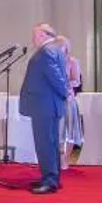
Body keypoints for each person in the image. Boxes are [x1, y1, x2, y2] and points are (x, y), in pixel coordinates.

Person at [19, 24, 71, 194]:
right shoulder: (55, 50)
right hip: (48, 105)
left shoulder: (46, 52)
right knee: (51, 143)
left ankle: (50, 181)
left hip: (44, 106)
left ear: (43, 35)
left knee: (45, 144)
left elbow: (56, 78)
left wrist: (65, 93)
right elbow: (60, 76)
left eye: (35, 35)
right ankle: (52, 178)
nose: (32, 39)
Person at [55, 36, 84, 171]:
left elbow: (77, 81)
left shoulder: (72, 62)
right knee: (57, 131)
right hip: (54, 101)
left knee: (69, 132)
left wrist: (64, 83)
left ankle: (66, 160)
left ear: (66, 47)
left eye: (61, 45)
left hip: (68, 100)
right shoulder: (52, 62)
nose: (58, 48)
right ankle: (58, 159)